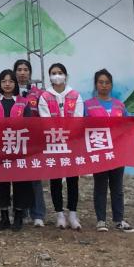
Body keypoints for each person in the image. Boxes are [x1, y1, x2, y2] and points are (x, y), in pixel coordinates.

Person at [85, 69, 134, 233]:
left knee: (117, 187)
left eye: (107, 83)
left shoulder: (119, 105)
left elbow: (128, 124)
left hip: (117, 151)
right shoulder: (88, 105)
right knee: (100, 186)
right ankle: (101, 220)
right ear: (96, 84)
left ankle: (119, 219)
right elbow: (81, 127)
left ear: (111, 85)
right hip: (99, 151)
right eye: (101, 82)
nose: (104, 85)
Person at [0, 69, 34, 231]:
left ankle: (19, 216)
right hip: (0, 148)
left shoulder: (24, 102)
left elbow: (30, 125)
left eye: (10, 81)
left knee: (21, 182)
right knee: (1, 183)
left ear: (15, 83)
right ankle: (4, 217)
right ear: (0, 83)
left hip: (19, 148)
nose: (7, 84)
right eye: (4, 81)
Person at [42, 62, 84, 230]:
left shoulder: (75, 95)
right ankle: (59, 214)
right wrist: (58, 132)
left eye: (60, 72)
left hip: (72, 143)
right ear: (49, 76)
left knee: (73, 179)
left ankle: (73, 214)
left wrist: (68, 132)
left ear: (65, 75)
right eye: (53, 73)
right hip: (54, 143)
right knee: (56, 179)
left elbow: (78, 118)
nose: (57, 76)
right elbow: (45, 120)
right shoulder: (45, 96)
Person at [14, 57, 51, 227]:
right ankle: (21, 212)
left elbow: (44, 116)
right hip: (15, 140)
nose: (22, 73)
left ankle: (38, 214)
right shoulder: (10, 92)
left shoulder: (39, 93)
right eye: (19, 70)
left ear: (30, 73)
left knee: (35, 177)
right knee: (19, 177)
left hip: (34, 141)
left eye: (25, 70)